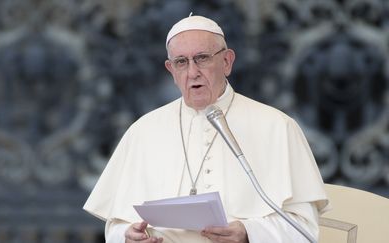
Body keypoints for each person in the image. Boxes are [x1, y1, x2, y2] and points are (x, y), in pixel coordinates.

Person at [83, 14, 329, 243]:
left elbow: (305, 230)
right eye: (181, 62)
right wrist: (127, 236)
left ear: (227, 61)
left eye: (202, 58)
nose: (192, 72)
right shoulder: (142, 131)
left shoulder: (278, 127)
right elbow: (115, 227)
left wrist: (249, 233)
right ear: (171, 70)